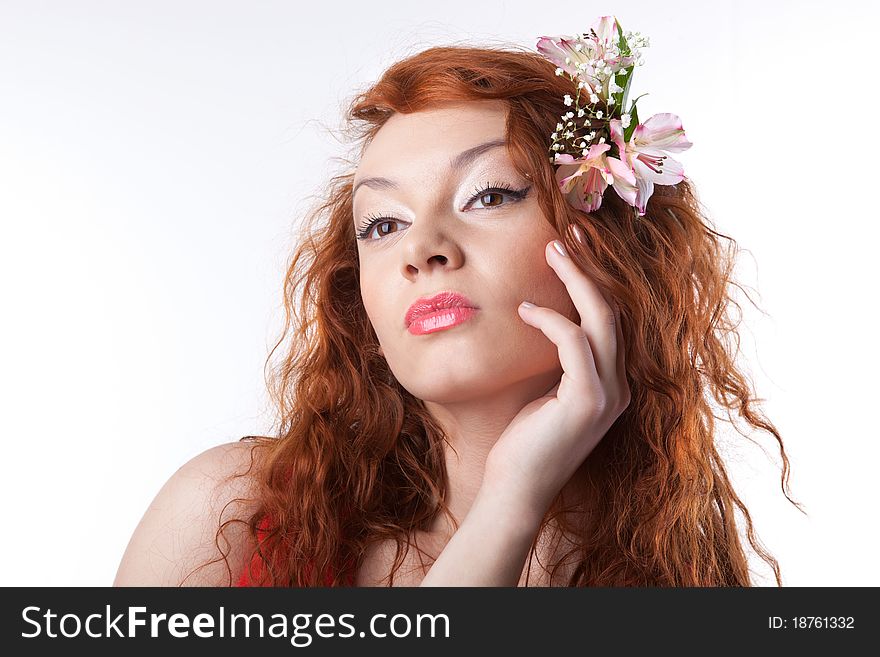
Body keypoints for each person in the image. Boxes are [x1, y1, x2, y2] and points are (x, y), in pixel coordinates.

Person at [114, 16, 802, 587]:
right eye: (383, 225)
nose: (423, 250)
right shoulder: (228, 515)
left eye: (490, 195)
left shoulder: (685, 581)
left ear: (606, 245)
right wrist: (509, 504)